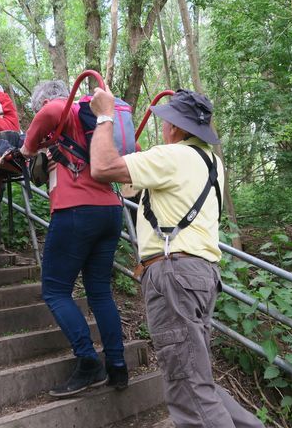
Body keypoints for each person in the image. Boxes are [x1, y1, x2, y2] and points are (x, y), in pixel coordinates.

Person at [89, 87, 263, 428]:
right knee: (198, 380)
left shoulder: (171, 157)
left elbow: (102, 167)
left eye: (168, 122)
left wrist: (104, 115)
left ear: (178, 128)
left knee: (187, 387)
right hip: (201, 275)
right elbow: (132, 187)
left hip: (174, 275)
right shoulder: (211, 162)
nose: (165, 128)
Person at [19, 81, 128, 397]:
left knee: (54, 291)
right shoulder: (90, 120)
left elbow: (51, 110)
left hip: (76, 211)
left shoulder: (64, 110)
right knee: (99, 292)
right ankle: (118, 367)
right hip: (109, 211)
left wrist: (27, 147)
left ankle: (88, 361)